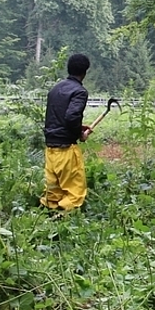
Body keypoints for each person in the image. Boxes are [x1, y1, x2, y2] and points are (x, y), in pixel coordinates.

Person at [40, 53, 93, 212]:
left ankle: (48, 219)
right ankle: (62, 218)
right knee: (75, 193)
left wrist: (78, 126)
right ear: (85, 72)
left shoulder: (55, 89)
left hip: (50, 149)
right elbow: (71, 117)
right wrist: (80, 134)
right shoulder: (79, 92)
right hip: (66, 151)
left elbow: (57, 117)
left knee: (53, 192)